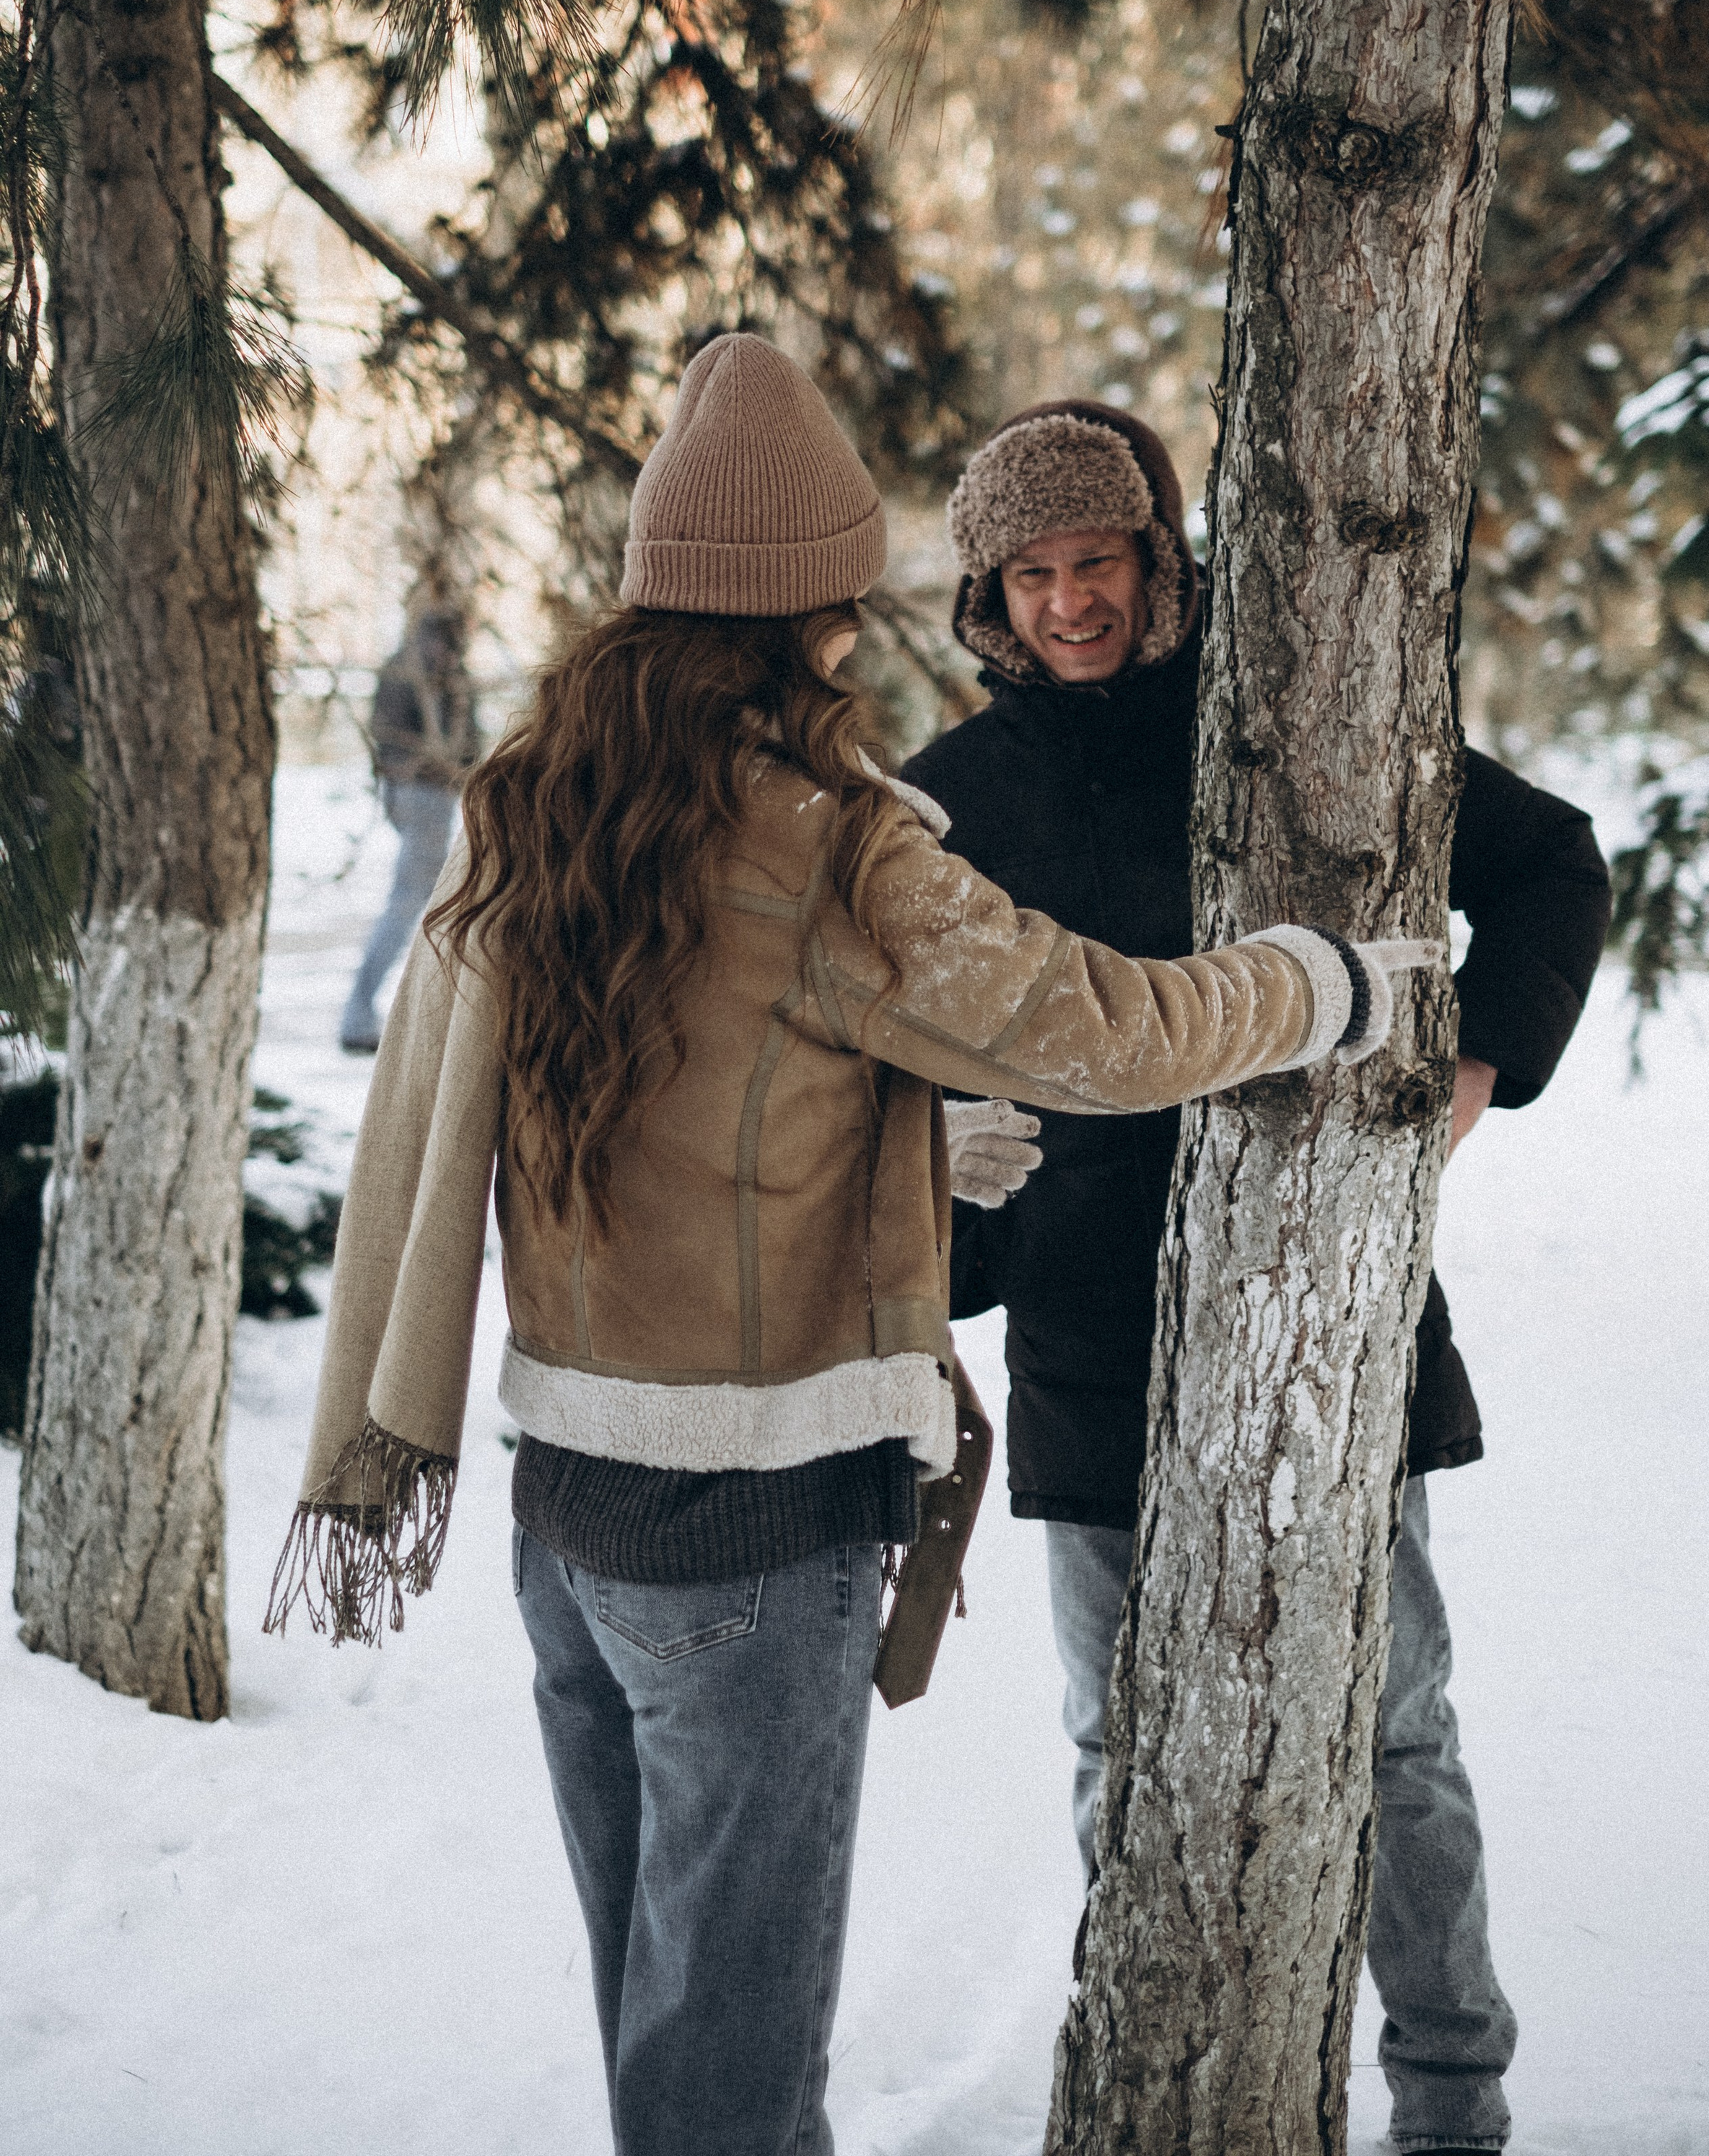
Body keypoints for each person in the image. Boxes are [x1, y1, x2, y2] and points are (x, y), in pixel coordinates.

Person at [268, 336, 1436, 2156]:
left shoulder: (535, 804)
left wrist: (905, 1146)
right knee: (729, 2070)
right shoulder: (831, 854)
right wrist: (1324, 980)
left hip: (566, 1514)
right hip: (751, 1527)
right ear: (816, 606)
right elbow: (1103, 1027)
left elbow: (662, 1099)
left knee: (660, 2022)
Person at [901, 398, 1613, 2156]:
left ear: (1156, 565)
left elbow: (1546, 865)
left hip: (1312, 1308)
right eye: (1033, 571)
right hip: (1085, 1329)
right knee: (1118, 1747)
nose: (1070, 600)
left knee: (1392, 1737)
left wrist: (1469, 1073)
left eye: (1099, 560)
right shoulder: (941, 799)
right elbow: (888, 1044)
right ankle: (1161, 2097)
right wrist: (944, 1205)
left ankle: (1450, 2100)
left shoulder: (1285, 727)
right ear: (987, 593)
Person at [339, 600, 480, 1053]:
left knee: (441, 905)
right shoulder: (404, 674)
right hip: (419, 801)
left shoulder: (456, 682)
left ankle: (420, 1020)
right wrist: (425, 766)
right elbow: (388, 742)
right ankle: (360, 1015)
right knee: (411, 907)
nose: (446, 655)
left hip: (443, 799)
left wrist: (458, 768)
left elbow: (471, 744)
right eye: (441, 645)